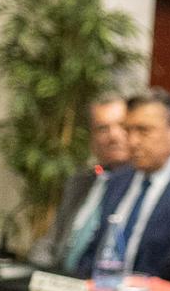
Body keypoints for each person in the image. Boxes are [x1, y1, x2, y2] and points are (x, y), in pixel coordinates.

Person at [73, 88, 170, 280]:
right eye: (128, 130)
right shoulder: (119, 179)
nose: (132, 141)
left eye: (143, 130)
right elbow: (96, 249)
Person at [30, 93, 130, 272]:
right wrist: (35, 276)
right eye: (103, 129)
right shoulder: (80, 182)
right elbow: (50, 241)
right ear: (92, 139)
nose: (113, 136)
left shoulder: (140, 187)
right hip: (61, 282)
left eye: (122, 126)